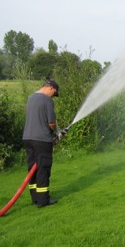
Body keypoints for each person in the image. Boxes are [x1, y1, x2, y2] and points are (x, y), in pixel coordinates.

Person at [22, 79, 64, 208]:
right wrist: (57, 132)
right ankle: (43, 200)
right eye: (54, 93)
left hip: (27, 138)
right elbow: (51, 122)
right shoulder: (47, 100)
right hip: (41, 140)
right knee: (43, 168)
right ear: (50, 88)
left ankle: (35, 198)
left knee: (32, 169)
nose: (53, 96)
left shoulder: (31, 98)